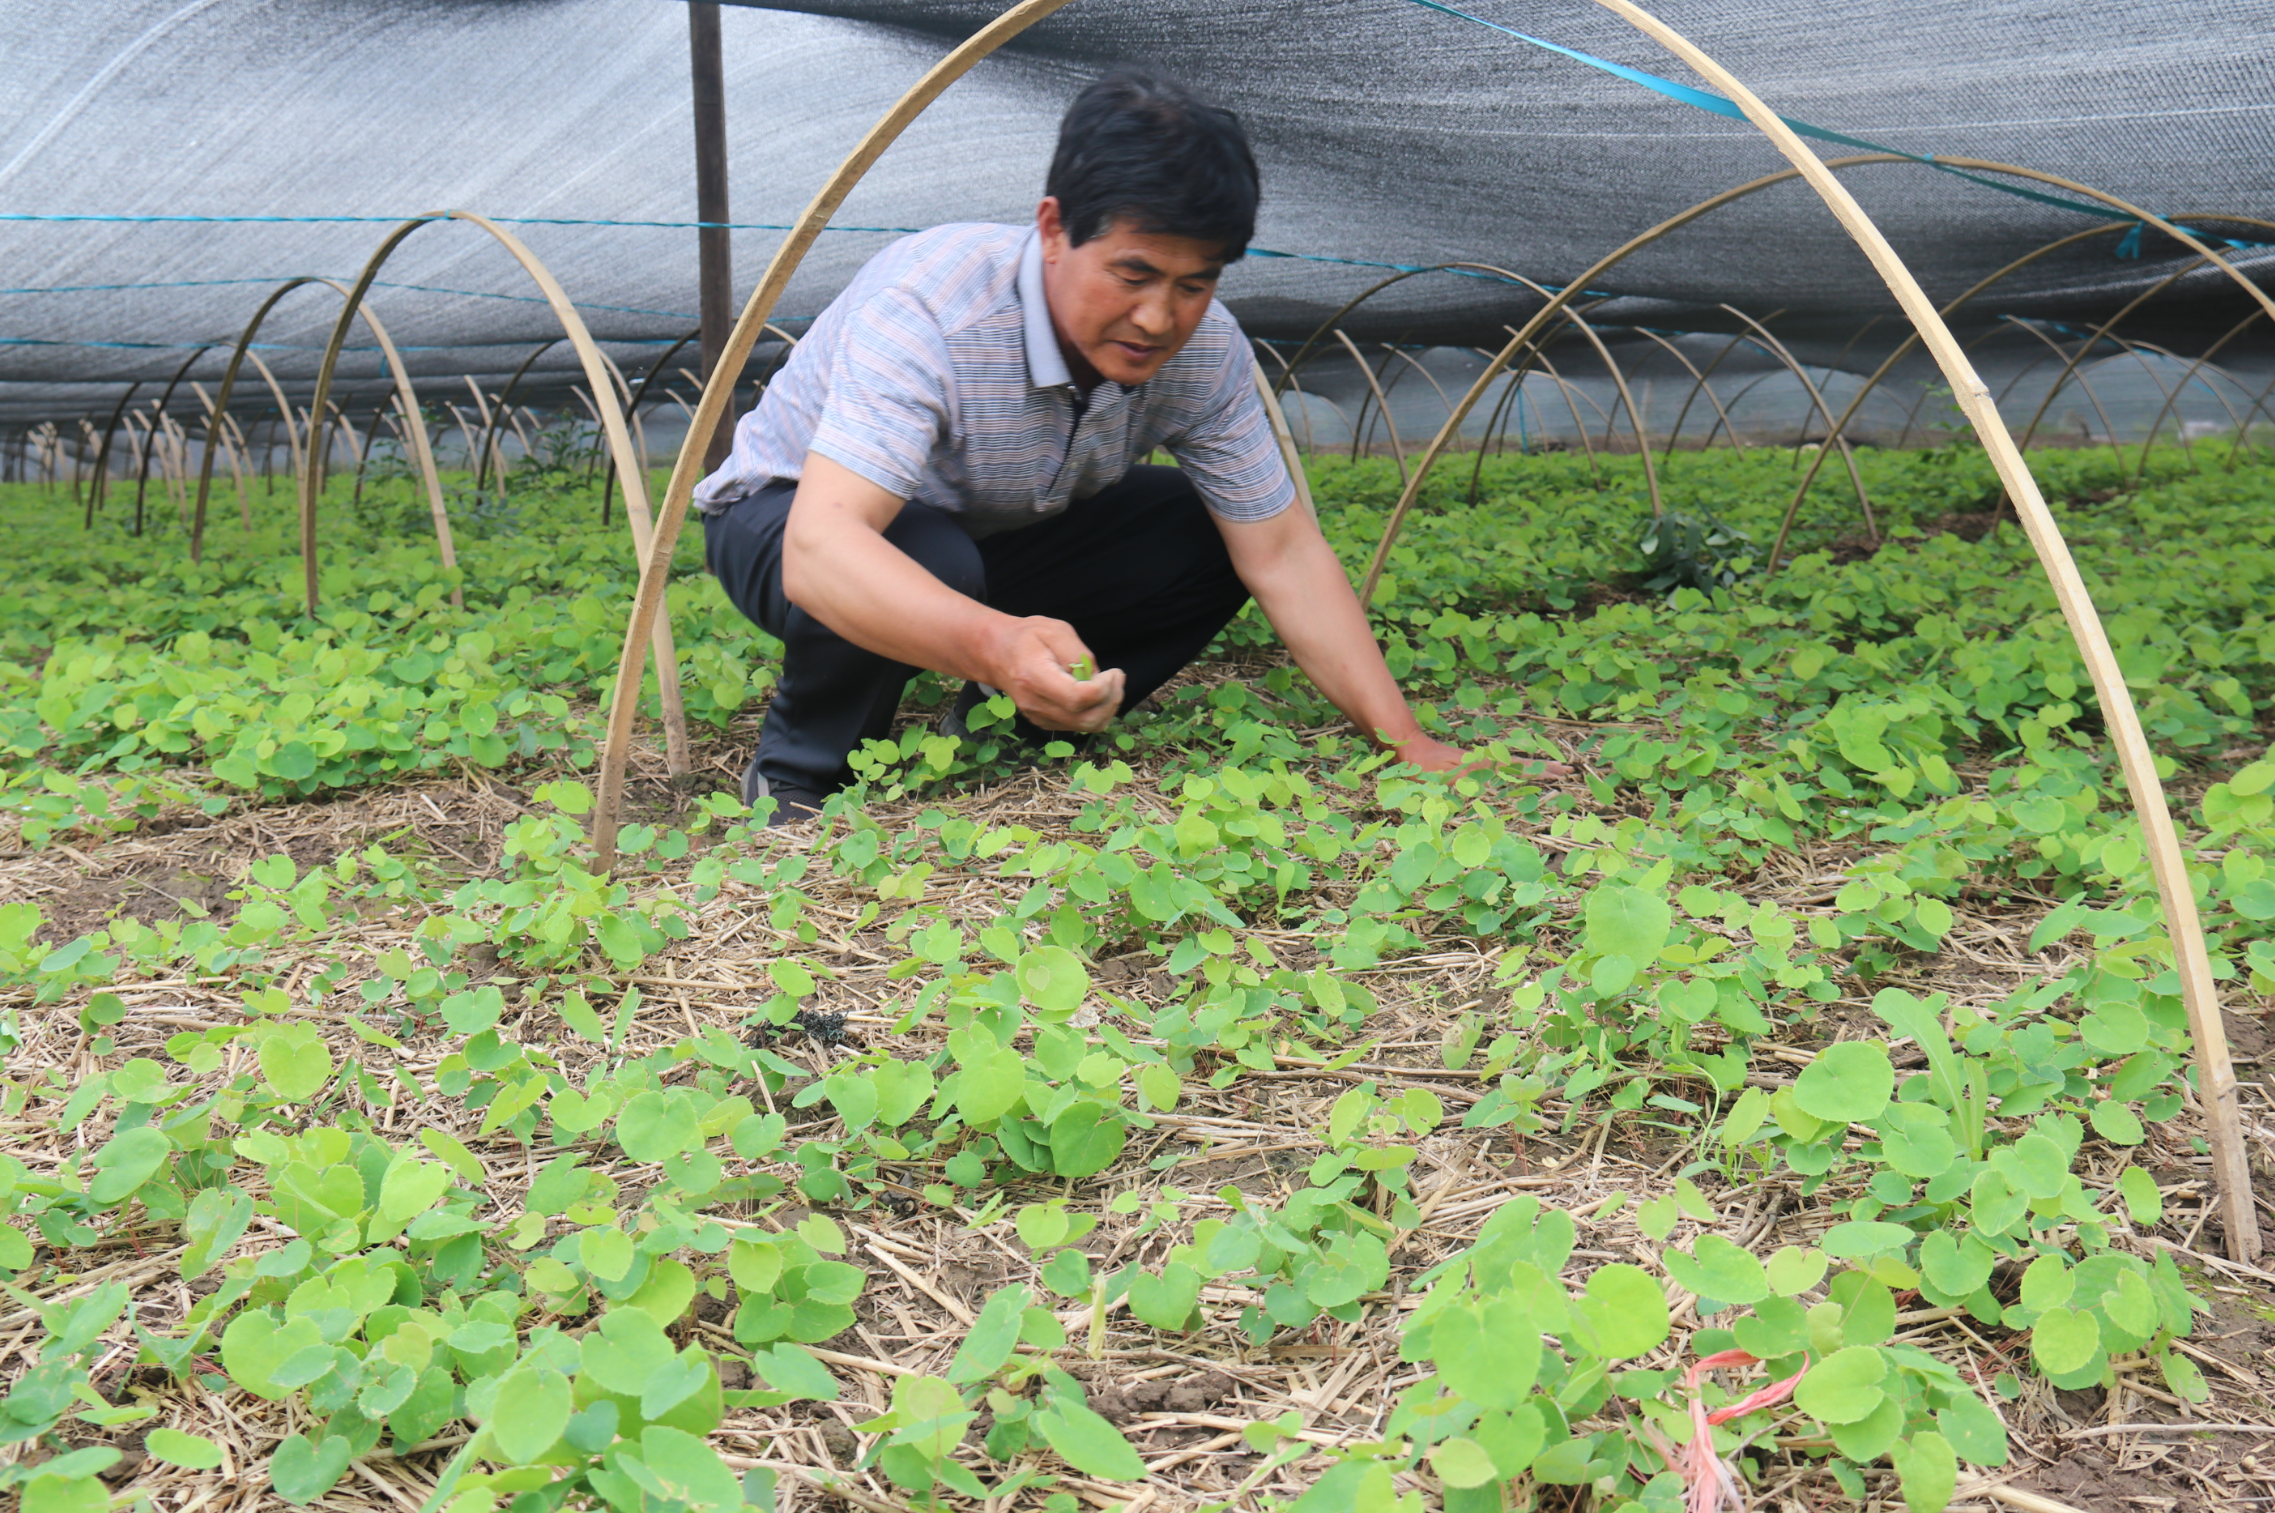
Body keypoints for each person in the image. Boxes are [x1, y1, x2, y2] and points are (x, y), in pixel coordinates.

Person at [696, 67, 1497, 825]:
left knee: (1206, 532)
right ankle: (800, 773)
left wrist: (1407, 741)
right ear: (1052, 229)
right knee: (928, 552)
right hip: (783, 522)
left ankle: (1010, 725)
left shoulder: (1205, 352)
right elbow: (822, 549)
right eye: (1133, 274)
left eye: (1194, 283)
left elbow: (1282, 551)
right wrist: (997, 641)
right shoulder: (932, 306)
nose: (1157, 318)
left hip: (987, 535)